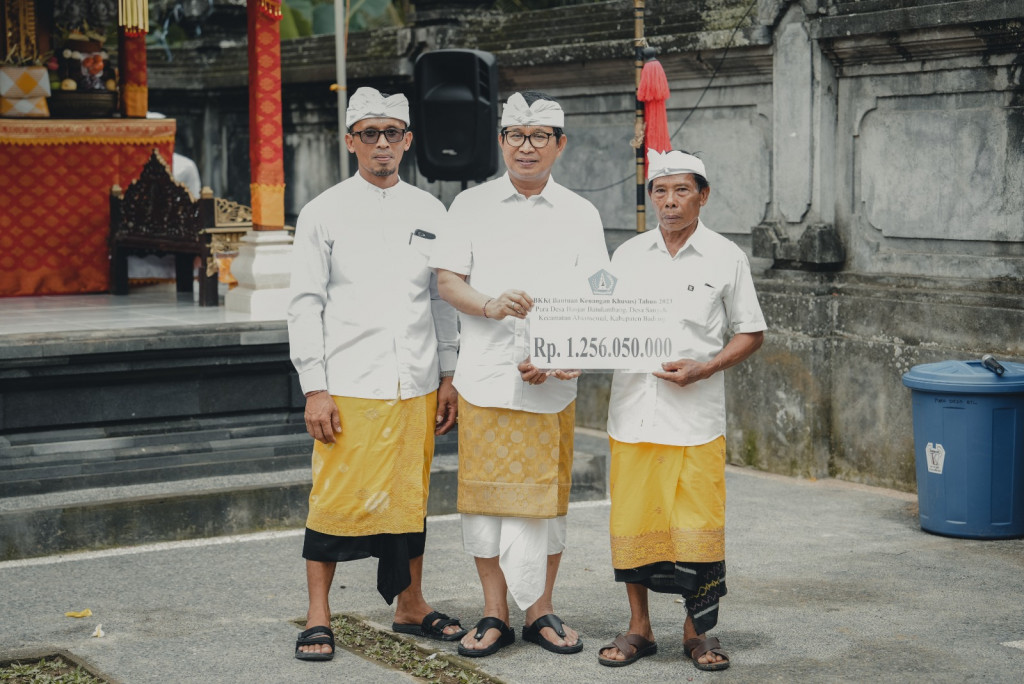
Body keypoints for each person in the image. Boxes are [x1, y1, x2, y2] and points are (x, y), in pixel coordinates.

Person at [287, 87, 465, 661]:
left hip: (414, 382)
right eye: (370, 133)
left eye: (392, 133)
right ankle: (320, 613)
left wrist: (448, 373)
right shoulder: (323, 211)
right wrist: (314, 386)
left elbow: (441, 299)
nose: (382, 143)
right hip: (349, 385)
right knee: (334, 498)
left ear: (408, 140)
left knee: (409, 499)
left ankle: (410, 604)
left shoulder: (430, 210)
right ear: (350, 141)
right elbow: (304, 303)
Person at [432, 91, 609, 658]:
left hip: (553, 383)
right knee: (484, 502)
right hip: (485, 377)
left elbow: (598, 294)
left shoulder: (582, 213)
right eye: (515, 136)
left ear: (559, 144)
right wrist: (488, 305)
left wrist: (570, 355)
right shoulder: (470, 205)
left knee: (546, 501)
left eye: (538, 138)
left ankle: (541, 611)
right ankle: (493, 613)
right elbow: (448, 282)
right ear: (502, 141)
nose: (526, 147)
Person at [597, 149, 766, 671]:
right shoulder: (626, 256)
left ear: (703, 195)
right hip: (633, 415)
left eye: (682, 191)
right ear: (650, 198)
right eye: (660, 192)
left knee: (697, 527)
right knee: (634, 524)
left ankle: (698, 633)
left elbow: (751, 333)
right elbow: (599, 326)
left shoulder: (724, 257)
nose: (670, 202)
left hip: (694, 419)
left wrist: (706, 367)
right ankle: (639, 629)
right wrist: (562, 358)